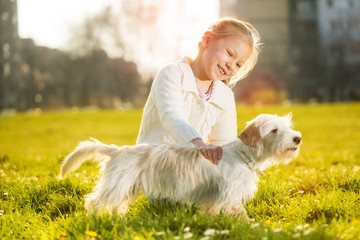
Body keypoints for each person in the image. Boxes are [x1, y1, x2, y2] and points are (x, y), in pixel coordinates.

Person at [137, 17, 262, 164]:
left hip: (189, 174)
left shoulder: (225, 97)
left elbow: (224, 143)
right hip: (150, 167)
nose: (231, 65)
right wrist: (199, 144)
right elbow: (172, 117)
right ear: (207, 40)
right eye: (229, 53)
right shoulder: (172, 74)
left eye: (238, 65)